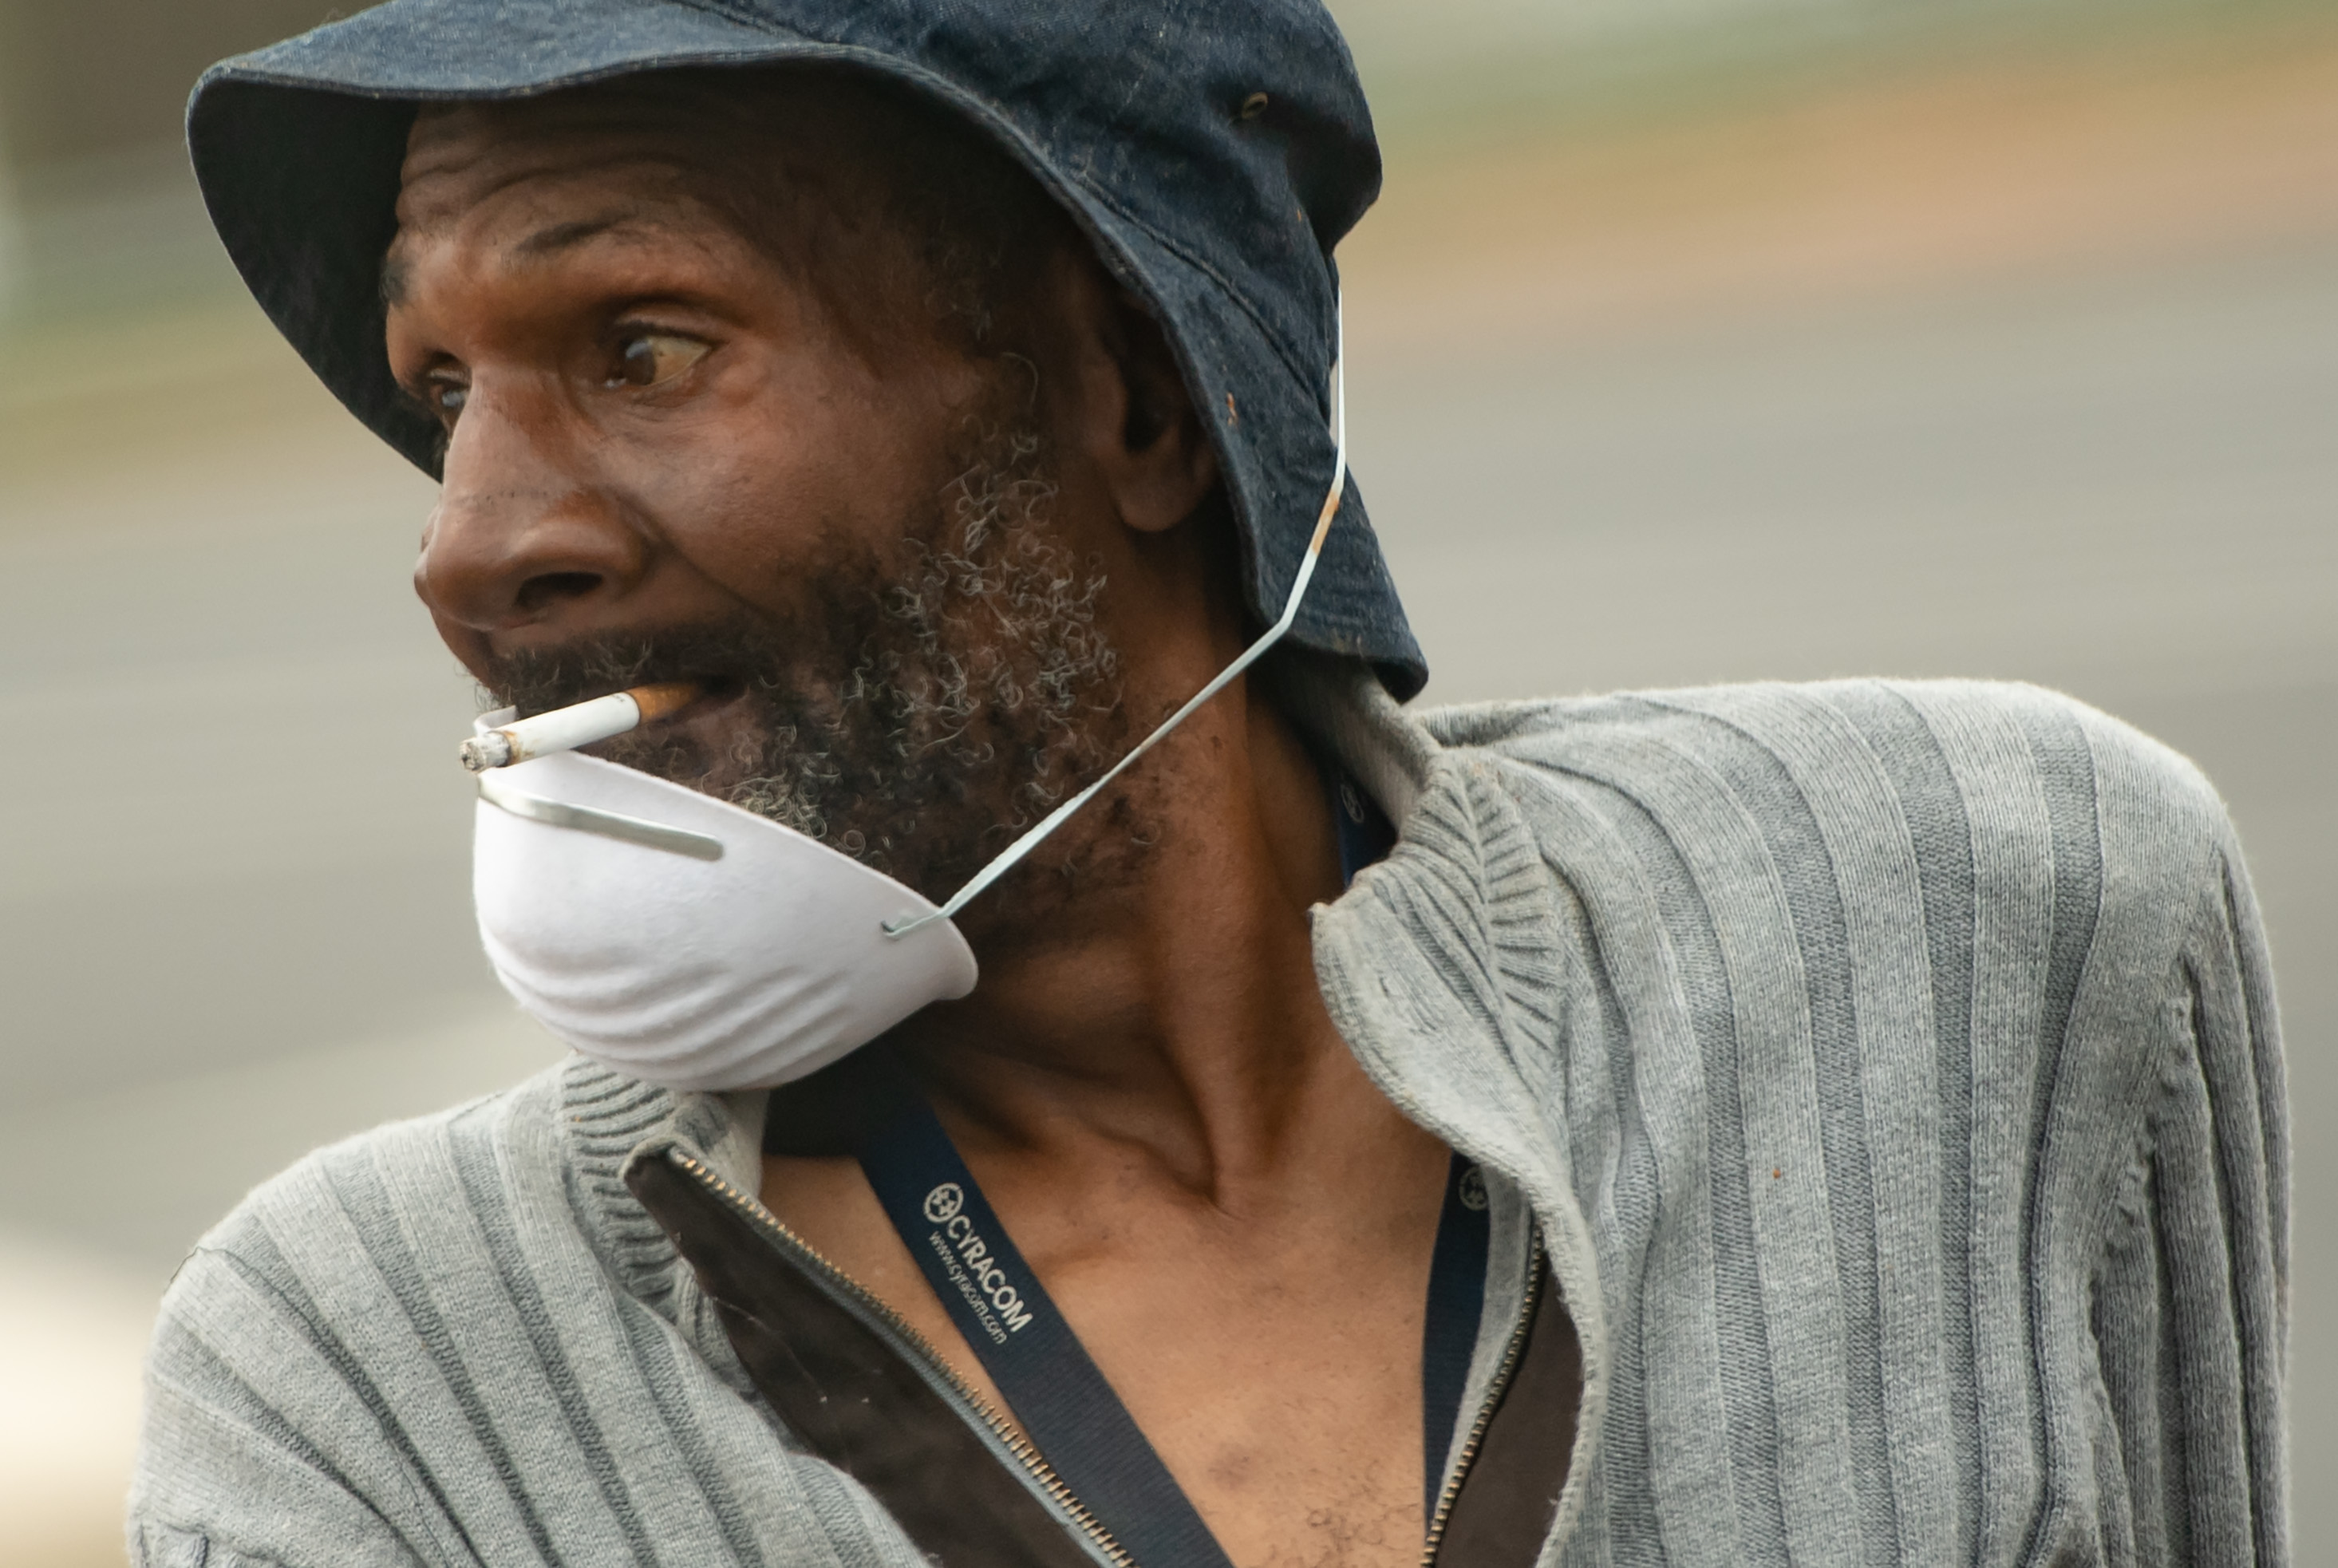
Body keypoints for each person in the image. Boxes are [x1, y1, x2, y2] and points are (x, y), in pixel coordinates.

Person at [134, 1, 2288, 1564]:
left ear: (1140, 397)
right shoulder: (366, 1378)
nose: (470, 540)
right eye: (443, 391)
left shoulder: (1972, 915)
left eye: (642, 347)